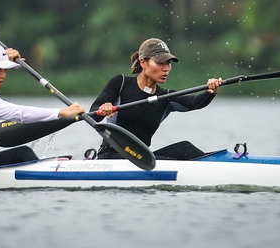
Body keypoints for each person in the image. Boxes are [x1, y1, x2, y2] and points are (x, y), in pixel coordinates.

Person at [91, 38, 222, 160]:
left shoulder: (166, 97)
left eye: (168, 63)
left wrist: (210, 92)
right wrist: (103, 109)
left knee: (185, 149)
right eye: (160, 62)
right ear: (143, 62)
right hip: (112, 156)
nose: (165, 68)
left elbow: (194, 102)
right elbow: (93, 115)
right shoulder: (120, 83)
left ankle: (219, 162)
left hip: (141, 158)